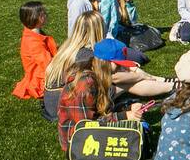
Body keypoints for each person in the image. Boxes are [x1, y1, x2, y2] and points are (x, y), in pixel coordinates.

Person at [43, 12, 176, 122]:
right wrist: (140, 76)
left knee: (124, 75)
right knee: (126, 83)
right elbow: (112, 78)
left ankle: (168, 83)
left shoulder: (68, 47)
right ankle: (174, 86)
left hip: (54, 102)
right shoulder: (86, 55)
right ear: (97, 30)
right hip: (66, 107)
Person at [56, 40, 145, 152]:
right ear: (106, 62)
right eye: (119, 65)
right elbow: (86, 126)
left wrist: (128, 109)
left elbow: (99, 110)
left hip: (87, 134)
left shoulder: (96, 75)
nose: (121, 69)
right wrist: (124, 116)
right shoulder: (84, 85)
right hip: (77, 142)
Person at [98, 0, 149, 64]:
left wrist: (129, 3)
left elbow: (133, 21)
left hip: (117, 33)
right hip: (106, 39)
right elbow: (103, 22)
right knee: (141, 57)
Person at [12, 1, 57, 101]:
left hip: (42, 72)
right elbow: (47, 64)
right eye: (44, 13)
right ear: (37, 18)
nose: (46, 15)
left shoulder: (33, 33)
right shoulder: (33, 42)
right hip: (40, 78)